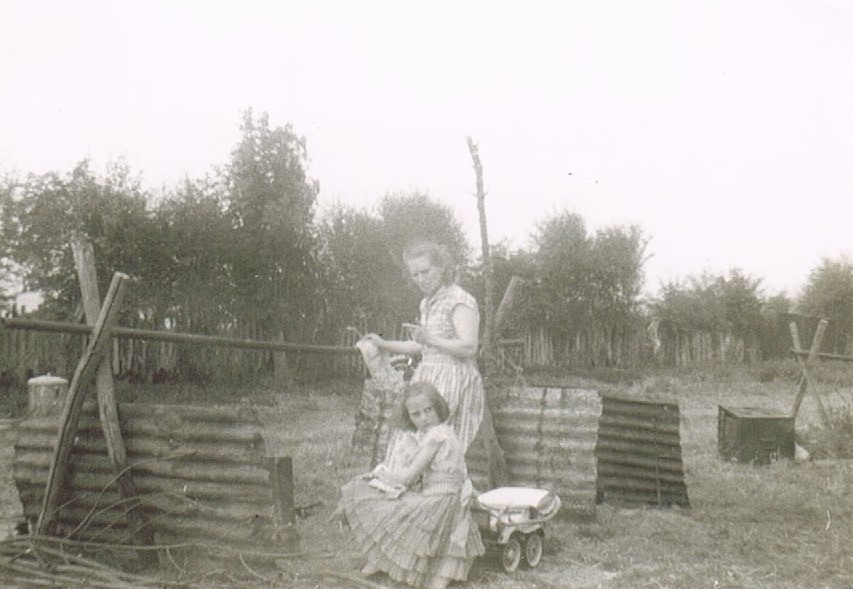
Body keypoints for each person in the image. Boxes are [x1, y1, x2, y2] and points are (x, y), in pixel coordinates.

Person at [334, 382, 484, 589]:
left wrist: (380, 475)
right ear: (409, 417)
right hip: (448, 498)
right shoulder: (445, 431)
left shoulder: (436, 436)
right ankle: (381, 560)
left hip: (438, 501)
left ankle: (381, 560)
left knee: (368, 492)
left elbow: (408, 478)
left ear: (438, 408)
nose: (423, 418)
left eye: (428, 410)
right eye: (416, 414)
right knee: (392, 505)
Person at [363, 240, 484, 453]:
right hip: (428, 376)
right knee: (410, 440)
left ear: (441, 267)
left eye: (425, 271)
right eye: (415, 275)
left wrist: (429, 339)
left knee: (437, 446)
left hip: (453, 378)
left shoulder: (459, 300)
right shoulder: (427, 302)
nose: (420, 279)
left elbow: (469, 348)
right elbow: (423, 347)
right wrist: (383, 344)